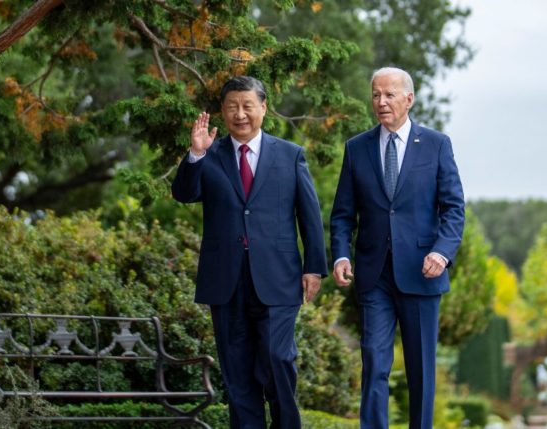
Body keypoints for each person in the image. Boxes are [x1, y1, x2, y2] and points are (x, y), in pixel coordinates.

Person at [172, 76, 327, 429]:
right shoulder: (208, 155)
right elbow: (184, 193)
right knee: (237, 373)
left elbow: (310, 215)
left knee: (277, 358)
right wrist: (195, 154)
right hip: (226, 281)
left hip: (278, 278)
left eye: (247, 106)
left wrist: (314, 267)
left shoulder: (290, 155)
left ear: (263, 108)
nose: (240, 114)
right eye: (231, 107)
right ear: (222, 112)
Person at [330, 67, 465, 429]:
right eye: (375, 94)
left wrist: (442, 251)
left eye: (389, 95)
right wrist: (341, 254)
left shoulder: (437, 144)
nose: (381, 102)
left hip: (423, 272)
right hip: (374, 276)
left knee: (421, 368)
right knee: (374, 361)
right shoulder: (356, 148)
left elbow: (454, 208)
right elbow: (343, 214)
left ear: (409, 98)